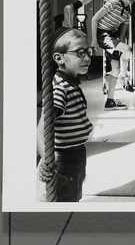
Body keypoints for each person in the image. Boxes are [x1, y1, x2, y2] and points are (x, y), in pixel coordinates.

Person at [37, 27, 94, 202]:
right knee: (64, 201)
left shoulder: (71, 84)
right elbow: (41, 130)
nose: (87, 58)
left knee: (73, 197)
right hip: (64, 159)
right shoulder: (60, 89)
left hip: (76, 155)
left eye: (88, 51)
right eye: (80, 53)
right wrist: (46, 160)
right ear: (59, 58)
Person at [91, 0, 135, 111]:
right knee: (128, 50)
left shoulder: (128, 13)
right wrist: (94, 40)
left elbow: (122, 35)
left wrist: (120, 49)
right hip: (102, 34)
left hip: (113, 37)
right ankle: (123, 77)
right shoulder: (112, 3)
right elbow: (94, 19)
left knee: (115, 68)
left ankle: (110, 102)